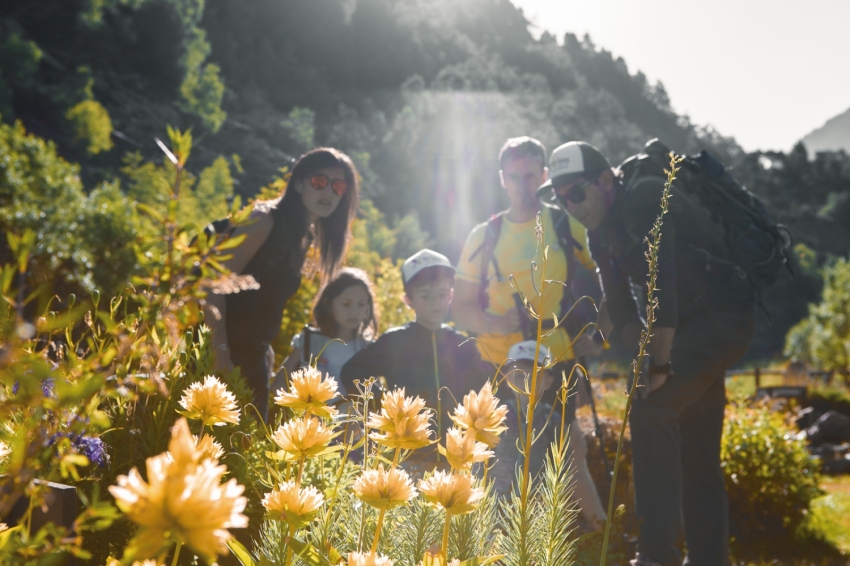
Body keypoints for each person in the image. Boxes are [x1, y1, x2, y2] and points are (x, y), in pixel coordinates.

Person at [539, 141, 757, 566]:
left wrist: (656, 364)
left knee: (651, 408)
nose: (571, 206)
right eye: (561, 198)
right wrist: (638, 351)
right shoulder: (598, 231)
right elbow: (619, 304)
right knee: (696, 445)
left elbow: (662, 287)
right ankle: (710, 559)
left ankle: (657, 556)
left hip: (723, 317)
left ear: (605, 181)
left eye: (577, 193)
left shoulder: (645, 196)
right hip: (691, 329)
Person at [452, 136, 602, 435]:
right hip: (497, 362)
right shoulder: (483, 236)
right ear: (502, 179)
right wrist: (495, 322)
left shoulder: (567, 224)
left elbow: (607, 282)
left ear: (544, 176)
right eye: (514, 177)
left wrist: (597, 333)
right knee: (500, 462)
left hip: (557, 359)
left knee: (564, 460)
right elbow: (460, 309)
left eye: (530, 175)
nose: (522, 184)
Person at [203, 148, 359, 419]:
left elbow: (263, 298)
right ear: (299, 182)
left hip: (252, 359)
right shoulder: (263, 220)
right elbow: (210, 285)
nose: (329, 192)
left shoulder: (302, 237)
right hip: (221, 352)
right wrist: (219, 353)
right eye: (319, 181)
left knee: (243, 451)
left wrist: (265, 347)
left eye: (339, 186)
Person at [340, 249, 488, 444]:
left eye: (441, 294)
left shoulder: (463, 345)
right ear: (408, 300)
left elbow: (483, 389)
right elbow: (352, 372)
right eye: (425, 296)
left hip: (456, 450)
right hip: (407, 450)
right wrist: (384, 406)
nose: (435, 302)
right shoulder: (394, 341)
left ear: (451, 295)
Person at [492, 340, 607, 528]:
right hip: (495, 506)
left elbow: (564, 466)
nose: (526, 382)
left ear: (548, 382)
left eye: (535, 376)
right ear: (506, 378)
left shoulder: (552, 420)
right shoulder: (494, 416)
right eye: (519, 375)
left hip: (535, 510)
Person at [276, 267, 377, 397]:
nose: (354, 311)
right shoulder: (310, 342)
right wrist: (302, 407)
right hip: (314, 415)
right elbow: (279, 383)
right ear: (329, 305)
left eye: (361, 304)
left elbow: (376, 394)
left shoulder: (369, 348)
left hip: (355, 416)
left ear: (368, 307)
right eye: (346, 304)